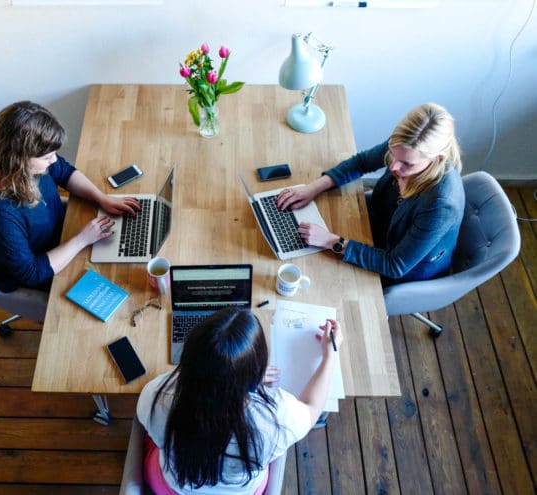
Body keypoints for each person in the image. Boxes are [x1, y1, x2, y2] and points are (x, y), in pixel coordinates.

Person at [136, 307, 343, 494]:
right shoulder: (276, 419)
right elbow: (312, 407)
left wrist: (233, 376)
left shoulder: (154, 396)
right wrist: (329, 355)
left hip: (173, 487)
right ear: (257, 371)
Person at [277, 102, 465, 286]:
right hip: (376, 226)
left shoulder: (441, 205)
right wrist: (312, 188)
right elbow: (362, 162)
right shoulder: (405, 145)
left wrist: (330, 241)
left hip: (400, 268)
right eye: (392, 154)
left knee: (325, 280)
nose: (393, 166)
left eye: (407, 164)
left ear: (437, 159)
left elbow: (395, 265)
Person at [0, 100, 140, 292]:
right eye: (47, 157)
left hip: (62, 235)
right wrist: (82, 239)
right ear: (18, 160)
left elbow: (64, 172)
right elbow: (31, 273)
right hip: (40, 267)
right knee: (121, 280)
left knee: (125, 255)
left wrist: (101, 198)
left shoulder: (20, 166)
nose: (54, 160)